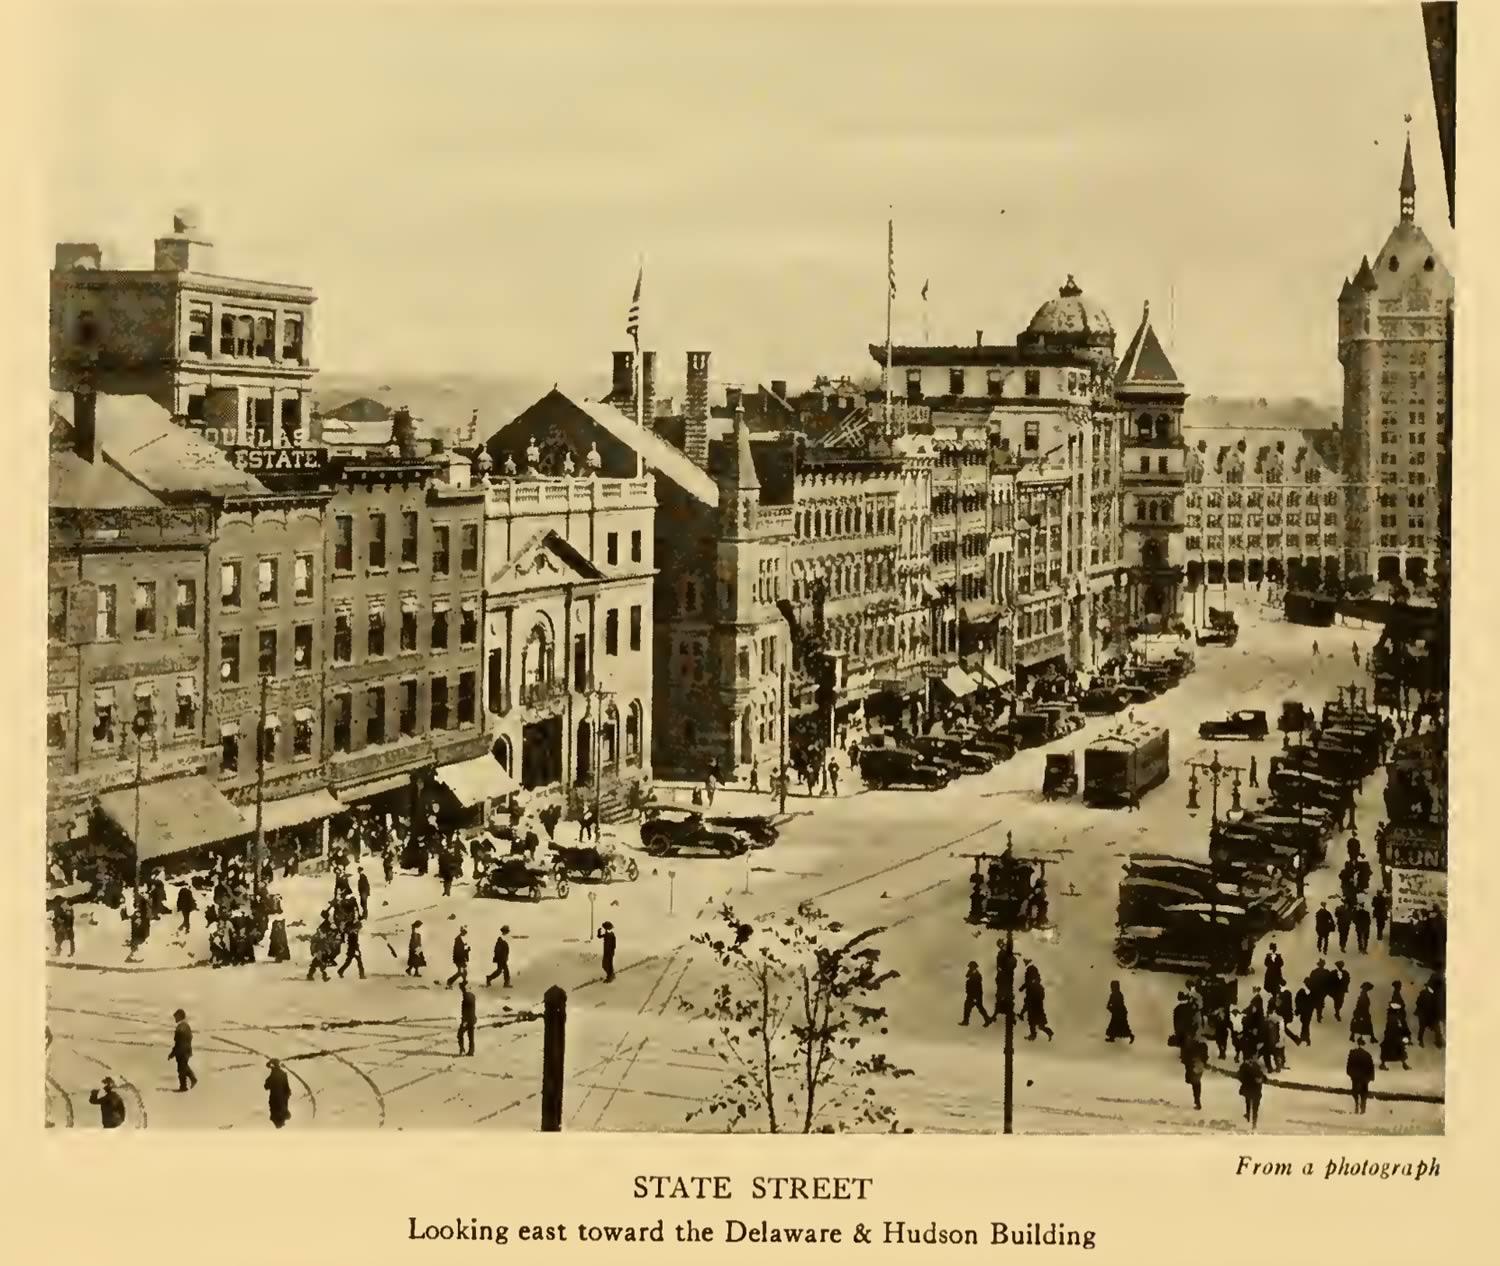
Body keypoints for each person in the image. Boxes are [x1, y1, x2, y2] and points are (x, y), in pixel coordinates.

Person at [1021, 963, 1053, 1041]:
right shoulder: (1032, 985)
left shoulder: (1036, 986)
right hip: (1033, 1006)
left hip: (1035, 1007)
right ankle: (1034, 1035)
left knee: (1038, 1024)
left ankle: (1046, 1033)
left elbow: (1040, 996)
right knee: (1033, 1024)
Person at [169, 1008, 197, 1092]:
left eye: (176, 1017)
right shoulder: (185, 1026)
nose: (175, 1019)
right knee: (183, 1068)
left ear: (180, 1016)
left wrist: (173, 1053)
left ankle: (183, 1087)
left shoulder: (182, 1027)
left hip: (182, 1052)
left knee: (181, 1069)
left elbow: (179, 1043)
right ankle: (191, 1080)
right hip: (184, 1051)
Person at [1346, 1037, 1375, 1114]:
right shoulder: (1366, 1055)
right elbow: (1371, 1067)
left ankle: (1360, 1107)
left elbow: (1370, 1067)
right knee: (1360, 1093)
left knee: (1360, 1093)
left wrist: (1350, 1073)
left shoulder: (1354, 1053)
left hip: (1360, 1077)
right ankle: (1360, 1107)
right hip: (1359, 1077)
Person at [1379, 1000, 1411, 1071]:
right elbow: (1395, 1027)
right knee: (1399, 1049)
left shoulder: (1392, 1017)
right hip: (1393, 1037)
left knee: (1395, 1050)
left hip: (1391, 1037)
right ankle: (1403, 1065)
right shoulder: (1393, 1017)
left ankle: (1383, 1064)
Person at [1181, 1030, 1209, 1110]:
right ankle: (1197, 1100)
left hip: (1197, 1065)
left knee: (1195, 1082)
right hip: (1195, 1065)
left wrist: (1203, 1062)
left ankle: (1197, 1101)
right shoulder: (1193, 1043)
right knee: (1193, 1081)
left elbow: (1204, 1054)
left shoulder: (1197, 1043)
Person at [1237, 1055, 1266, 1129]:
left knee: (1251, 1104)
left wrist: (1261, 1079)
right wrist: (1260, 1079)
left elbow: (1240, 1076)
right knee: (1252, 1105)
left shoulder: (1246, 1066)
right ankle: (1252, 1120)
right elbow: (1263, 1077)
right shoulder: (1252, 1066)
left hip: (1252, 1090)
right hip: (1253, 1090)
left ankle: (1251, 1120)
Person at [961, 961, 993, 1027]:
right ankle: (987, 1020)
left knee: (974, 1007)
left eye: (970, 967)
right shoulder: (972, 974)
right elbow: (967, 976)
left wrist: (975, 997)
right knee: (976, 1007)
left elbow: (976, 987)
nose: (969, 968)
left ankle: (966, 1021)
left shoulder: (976, 975)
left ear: (973, 967)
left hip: (975, 995)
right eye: (969, 967)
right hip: (972, 995)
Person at [1414, 978, 1443, 1048]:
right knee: (1423, 1028)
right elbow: (1419, 1003)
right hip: (1424, 1015)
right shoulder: (1423, 993)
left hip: (1430, 1015)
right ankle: (1420, 1040)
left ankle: (1438, 1042)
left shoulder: (1433, 994)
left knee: (1435, 1028)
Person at [265, 1059, 292, 1129]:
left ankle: (280, 1120)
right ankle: (280, 1119)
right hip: (280, 1099)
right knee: (280, 1111)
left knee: (278, 1111)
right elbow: (287, 1088)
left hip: (276, 1099)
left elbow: (266, 1086)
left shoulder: (274, 1075)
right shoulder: (282, 1074)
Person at [457, 986, 477, 1056]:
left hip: (467, 1020)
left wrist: (465, 1021)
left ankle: (462, 1049)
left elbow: (466, 1011)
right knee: (471, 1036)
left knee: (460, 1034)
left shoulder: (466, 999)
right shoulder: (471, 997)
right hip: (472, 1019)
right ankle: (471, 1051)